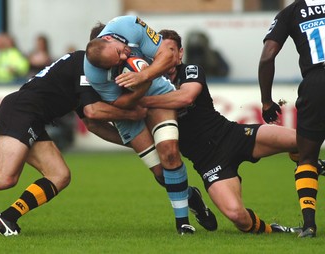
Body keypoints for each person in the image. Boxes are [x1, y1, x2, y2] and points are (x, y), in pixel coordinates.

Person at [0, 25, 148, 239]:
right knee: (5, 177)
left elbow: (93, 124)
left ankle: (7, 218)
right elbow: (93, 112)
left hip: (32, 117)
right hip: (21, 110)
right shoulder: (83, 63)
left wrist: (132, 143)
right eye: (118, 51)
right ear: (104, 42)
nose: (121, 56)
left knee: (59, 175)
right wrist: (133, 115)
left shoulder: (85, 70)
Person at [139, 29, 321, 235]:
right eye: (159, 54)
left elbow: (186, 98)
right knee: (237, 216)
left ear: (180, 53)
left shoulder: (190, 70)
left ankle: (310, 162)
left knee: (302, 140)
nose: (166, 58)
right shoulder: (148, 86)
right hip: (208, 162)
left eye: (171, 51)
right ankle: (274, 230)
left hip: (232, 135)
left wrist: (143, 102)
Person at [84, 16, 209, 234]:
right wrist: (139, 88)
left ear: (110, 39)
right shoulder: (94, 74)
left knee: (169, 153)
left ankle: (182, 223)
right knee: (161, 174)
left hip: (156, 90)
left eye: (121, 51)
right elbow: (120, 103)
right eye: (116, 61)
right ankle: (192, 197)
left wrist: (144, 77)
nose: (123, 56)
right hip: (126, 110)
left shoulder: (128, 24)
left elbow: (168, 55)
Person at [258, 0, 325, 238]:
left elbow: (267, 57)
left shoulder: (292, 12)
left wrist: (266, 101)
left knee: (305, 156)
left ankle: (309, 226)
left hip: (317, 83)